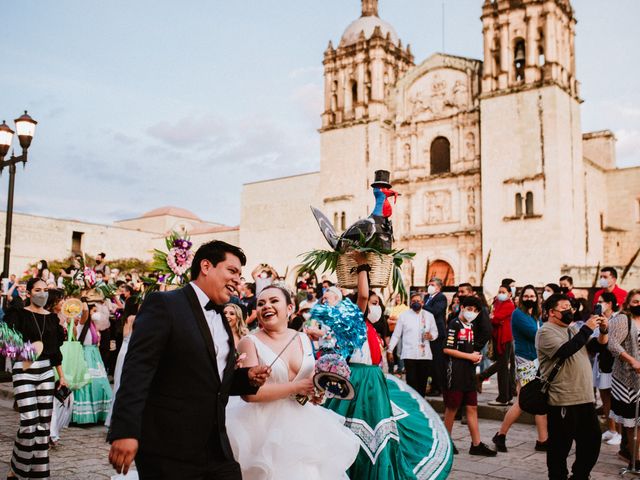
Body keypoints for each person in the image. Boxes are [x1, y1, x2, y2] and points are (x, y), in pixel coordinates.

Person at [107, 240, 270, 479]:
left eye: (240, 274)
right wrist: (125, 431)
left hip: (216, 448)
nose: (238, 280)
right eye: (232, 271)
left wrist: (246, 379)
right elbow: (137, 371)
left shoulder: (223, 319)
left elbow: (207, 378)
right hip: (168, 448)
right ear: (206, 266)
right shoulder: (164, 304)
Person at [322, 252, 453, 478]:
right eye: (373, 303)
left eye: (377, 304)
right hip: (360, 379)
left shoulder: (370, 327)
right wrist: (362, 265)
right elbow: (363, 294)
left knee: (377, 425)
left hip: (373, 379)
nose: (376, 307)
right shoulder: (355, 320)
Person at [225, 285, 359, 479]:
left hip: (303, 424)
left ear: (289, 308)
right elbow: (249, 394)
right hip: (261, 428)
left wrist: (316, 392)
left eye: (273, 301)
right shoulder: (250, 341)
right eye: (261, 303)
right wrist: (296, 387)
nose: (266, 306)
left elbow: (309, 379)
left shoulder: (303, 338)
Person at [536, 293, 605, 480]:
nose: (569, 311)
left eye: (571, 308)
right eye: (564, 308)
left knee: (591, 440)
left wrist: (603, 331)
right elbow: (565, 350)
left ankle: (580, 475)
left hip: (585, 396)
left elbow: (592, 348)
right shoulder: (545, 331)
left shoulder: (573, 329)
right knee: (560, 446)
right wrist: (587, 329)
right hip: (563, 398)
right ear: (552, 312)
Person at [5, 278, 67, 479]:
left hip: (46, 371)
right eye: (38, 290)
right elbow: (7, 341)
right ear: (29, 293)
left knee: (42, 426)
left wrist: (62, 376)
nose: (42, 293)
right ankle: (19, 469)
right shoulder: (19, 314)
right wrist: (27, 351)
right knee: (29, 422)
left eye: (45, 290)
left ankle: (39, 473)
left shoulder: (51, 318)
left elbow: (56, 351)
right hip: (24, 368)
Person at [492, 285, 548, 452]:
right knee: (526, 401)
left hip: (536, 361)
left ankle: (542, 440)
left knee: (534, 401)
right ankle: (502, 435)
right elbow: (536, 334)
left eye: (532, 296)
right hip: (526, 361)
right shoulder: (518, 314)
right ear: (521, 297)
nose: (529, 299)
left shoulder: (535, 315)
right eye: (526, 296)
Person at [443, 295, 497, 456]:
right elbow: (447, 349)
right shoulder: (454, 324)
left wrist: (475, 355)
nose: (471, 312)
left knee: (472, 407)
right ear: (462, 308)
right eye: (469, 309)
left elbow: (470, 348)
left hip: (469, 372)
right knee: (452, 408)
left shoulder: (471, 326)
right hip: (456, 372)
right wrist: (469, 357)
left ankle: (476, 444)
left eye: (475, 311)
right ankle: (446, 442)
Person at [607, 289, 640, 469]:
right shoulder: (623, 319)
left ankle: (628, 450)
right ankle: (635, 459)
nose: (638, 305)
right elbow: (612, 344)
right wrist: (632, 360)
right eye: (635, 301)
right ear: (628, 303)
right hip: (627, 378)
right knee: (632, 421)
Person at [388, 292, 438, 396]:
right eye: (413, 301)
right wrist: (390, 350)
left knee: (422, 385)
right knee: (411, 384)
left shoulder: (429, 316)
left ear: (423, 303)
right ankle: (412, 406)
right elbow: (396, 335)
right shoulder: (404, 316)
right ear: (410, 303)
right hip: (409, 355)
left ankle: (421, 406)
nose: (416, 303)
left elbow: (435, 332)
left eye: (418, 301)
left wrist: (431, 336)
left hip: (424, 356)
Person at [71, 302, 113, 424]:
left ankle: (100, 412)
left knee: (100, 383)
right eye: (94, 311)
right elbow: (84, 311)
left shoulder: (94, 326)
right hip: (85, 356)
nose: (96, 313)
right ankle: (86, 414)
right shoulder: (82, 323)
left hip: (95, 356)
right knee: (87, 383)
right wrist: (85, 301)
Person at [589, 292, 620, 445]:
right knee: (605, 396)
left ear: (610, 303)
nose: (599, 304)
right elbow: (594, 338)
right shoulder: (596, 318)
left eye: (602, 301)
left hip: (613, 363)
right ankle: (611, 428)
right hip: (600, 360)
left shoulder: (618, 318)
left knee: (615, 397)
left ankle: (619, 432)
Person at [478, 284, 515, 406]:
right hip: (498, 337)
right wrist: (495, 318)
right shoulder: (497, 302)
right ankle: (506, 396)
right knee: (503, 367)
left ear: (510, 294)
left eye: (503, 292)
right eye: (499, 291)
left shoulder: (509, 304)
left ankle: (502, 397)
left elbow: (496, 318)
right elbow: (494, 318)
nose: (500, 293)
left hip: (505, 338)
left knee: (503, 366)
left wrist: (495, 318)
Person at [423, 277, 448, 396]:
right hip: (428, 332)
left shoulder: (441, 297)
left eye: (432, 284)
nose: (430, 286)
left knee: (437, 361)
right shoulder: (427, 297)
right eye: (429, 284)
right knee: (430, 362)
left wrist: (422, 305)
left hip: (438, 333)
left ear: (438, 287)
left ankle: (438, 387)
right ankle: (432, 385)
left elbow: (435, 311)